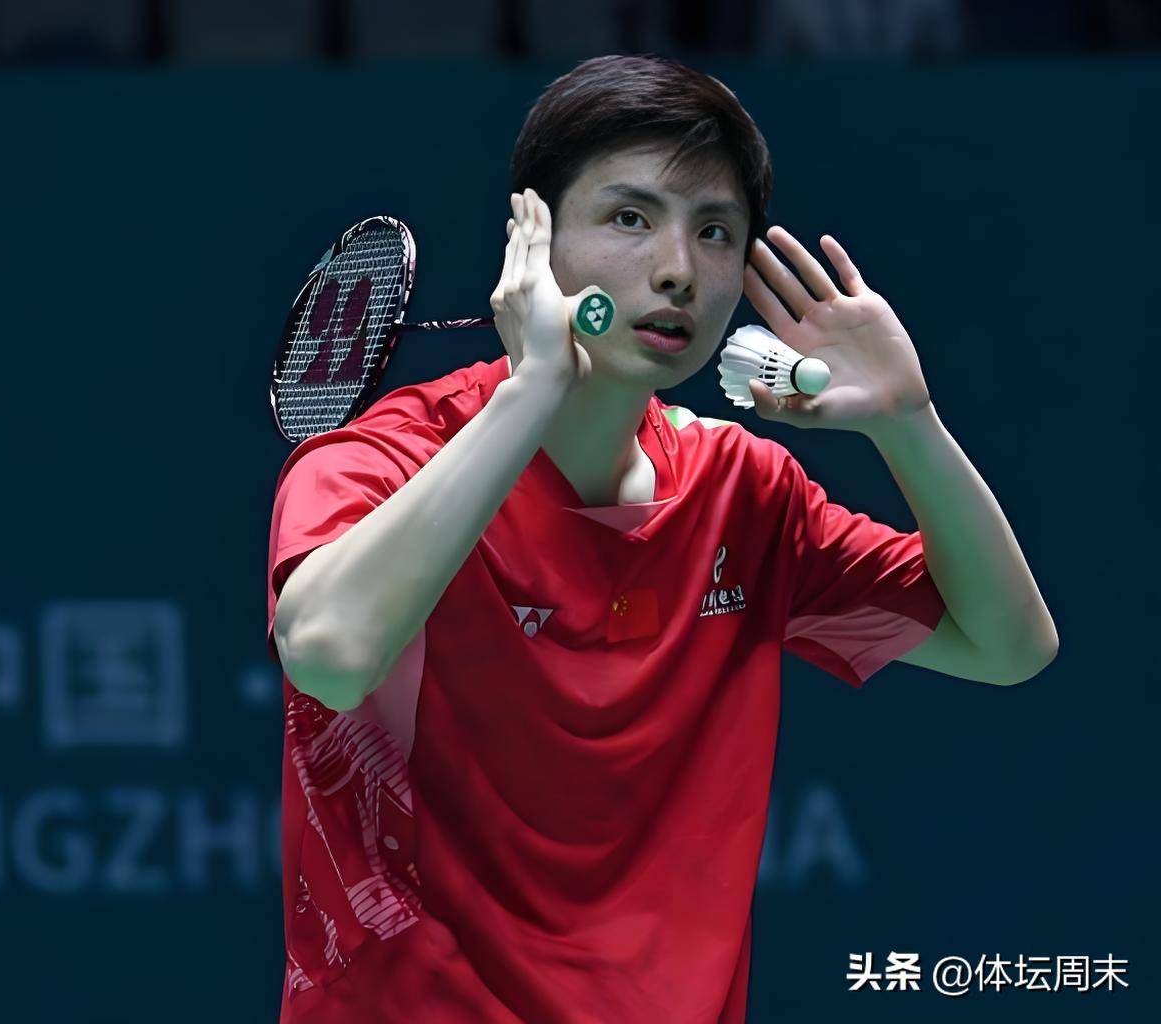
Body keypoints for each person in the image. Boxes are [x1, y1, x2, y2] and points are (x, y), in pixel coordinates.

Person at [264, 54, 1057, 1023]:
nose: (679, 268)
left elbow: (1008, 645)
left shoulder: (743, 495)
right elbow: (330, 655)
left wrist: (910, 424)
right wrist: (532, 391)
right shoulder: (384, 459)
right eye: (631, 219)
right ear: (533, 241)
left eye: (715, 231)